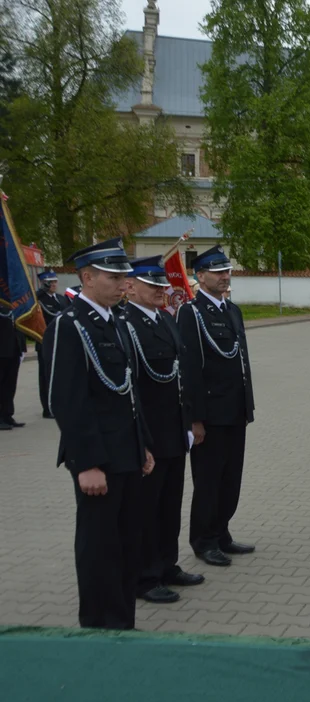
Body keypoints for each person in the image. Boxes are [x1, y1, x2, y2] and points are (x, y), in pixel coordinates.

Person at [43, 238, 155, 629]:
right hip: (98, 459)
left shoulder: (116, 322)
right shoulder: (69, 326)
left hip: (127, 453)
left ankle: (122, 620)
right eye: (114, 276)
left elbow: (128, 392)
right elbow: (66, 401)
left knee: (127, 543)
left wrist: (142, 445)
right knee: (99, 546)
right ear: (87, 277)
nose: (123, 283)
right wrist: (86, 463)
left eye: (124, 275)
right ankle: (97, 623)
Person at [121, 256, 204, 603]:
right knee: (147, 510)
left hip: (173, 430)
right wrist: (141, 440)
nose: (160, 291)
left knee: (170, 505)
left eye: (161, 285)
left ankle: (167, 565)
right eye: (151, 286)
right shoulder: (127, 325)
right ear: (131, 287)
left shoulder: (166, 321)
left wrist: (187, 423)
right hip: (150, 434)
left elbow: (178, 377)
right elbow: (132, 388)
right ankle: (145, 576)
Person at [176, 245, 256, 567]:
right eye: (218, 272)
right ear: (200, 276)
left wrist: (247, 406)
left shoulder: (232, 310)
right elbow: (190, 369)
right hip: (210, 416)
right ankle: (203, 540)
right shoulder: (190, 313)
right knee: (208, 480)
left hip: (235, 411)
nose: (225, 277)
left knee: (230, 479)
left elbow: (241, 361)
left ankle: (222, 532)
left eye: (227, 271)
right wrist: (195, 419)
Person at [35, 269, 71, 418]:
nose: (54, 284)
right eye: (50, 282)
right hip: (45, 342)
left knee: (61, 376)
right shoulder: (40, 300)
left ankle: (61, 405)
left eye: (55, 281)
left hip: (62, 342)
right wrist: (40, 293)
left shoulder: (61, 299)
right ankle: (47, 408)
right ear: (44, 283)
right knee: (46, 376)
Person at [0, 296, 27, 430]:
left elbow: (19, 326)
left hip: (13, 349)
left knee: (10, 385)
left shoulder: (13, 306)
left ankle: (7, 415)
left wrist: (22, 346)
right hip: (1, 350)